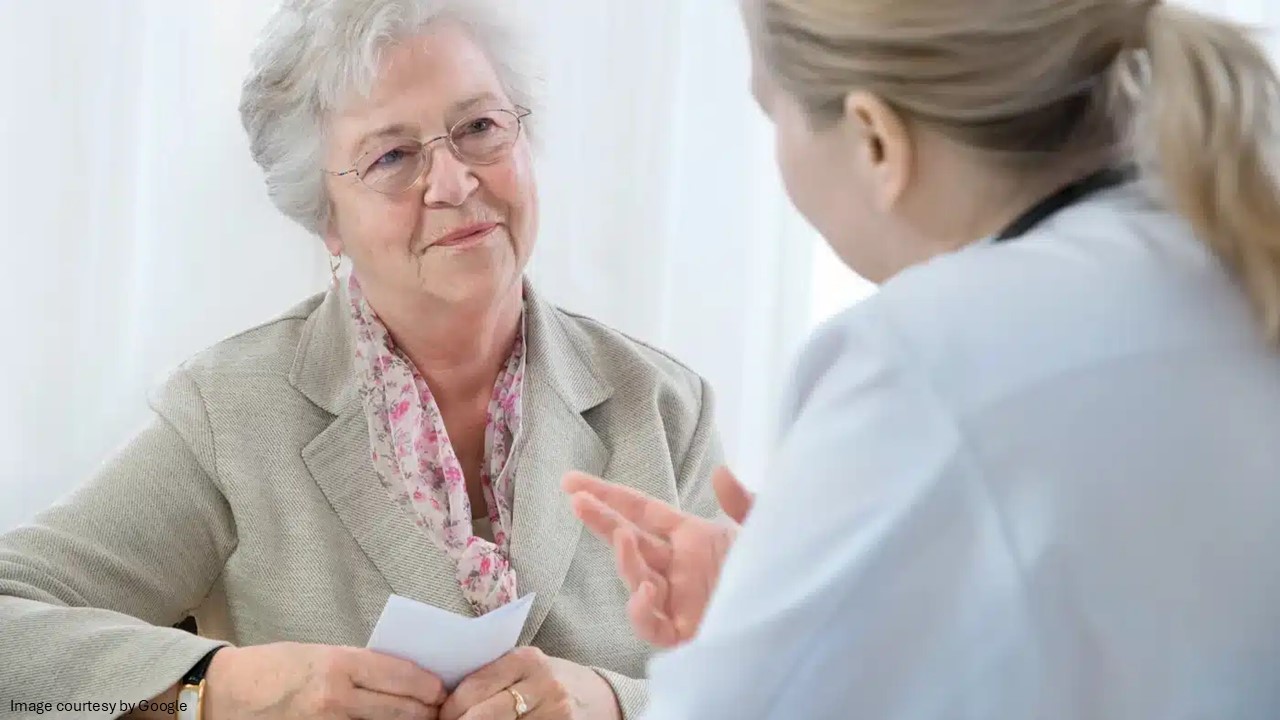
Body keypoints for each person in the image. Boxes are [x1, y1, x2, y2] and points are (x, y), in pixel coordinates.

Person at [0, 1, 724, 719]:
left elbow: (757, 681)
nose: (453, 183)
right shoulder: (234, 410)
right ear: (328, 220)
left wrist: (617, 703)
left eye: (479, 127)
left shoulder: (664, 408)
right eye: (392, 157)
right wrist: (217, 691)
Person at [566, 0, 1280, 717]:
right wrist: (812, 614)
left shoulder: (919, 360)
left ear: (875, 139)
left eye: (771, 113)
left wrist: (781, 634)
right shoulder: (1225, 252)